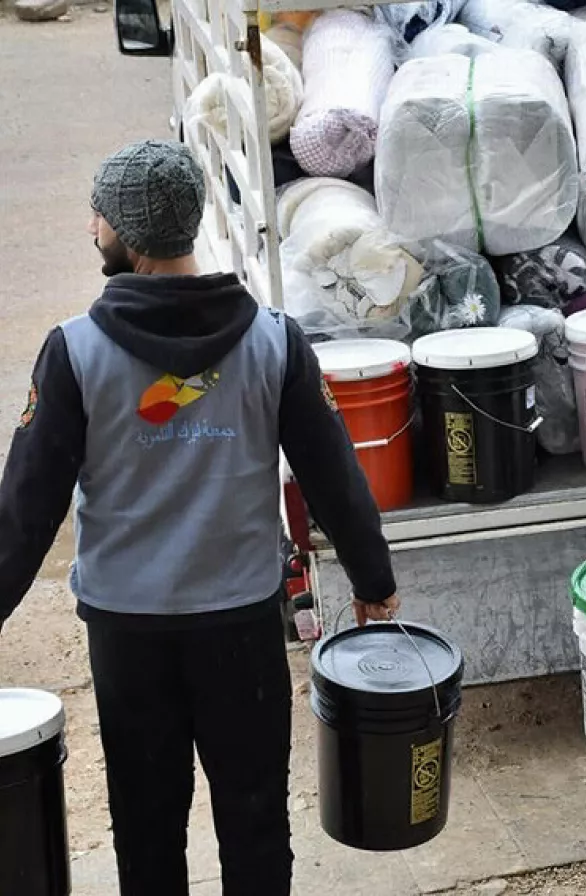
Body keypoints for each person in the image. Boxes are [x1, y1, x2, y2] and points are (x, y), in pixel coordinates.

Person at [0, 139, 398, 896]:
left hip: (128, 632)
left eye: (99, 215)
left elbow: (25, 511)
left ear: (125, 231)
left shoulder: (75, 354)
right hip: (240, 626)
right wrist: (373, 580)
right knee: (254, 819)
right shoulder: (272, 341)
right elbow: (331, 472)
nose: (91, 227)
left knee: (146, 826)